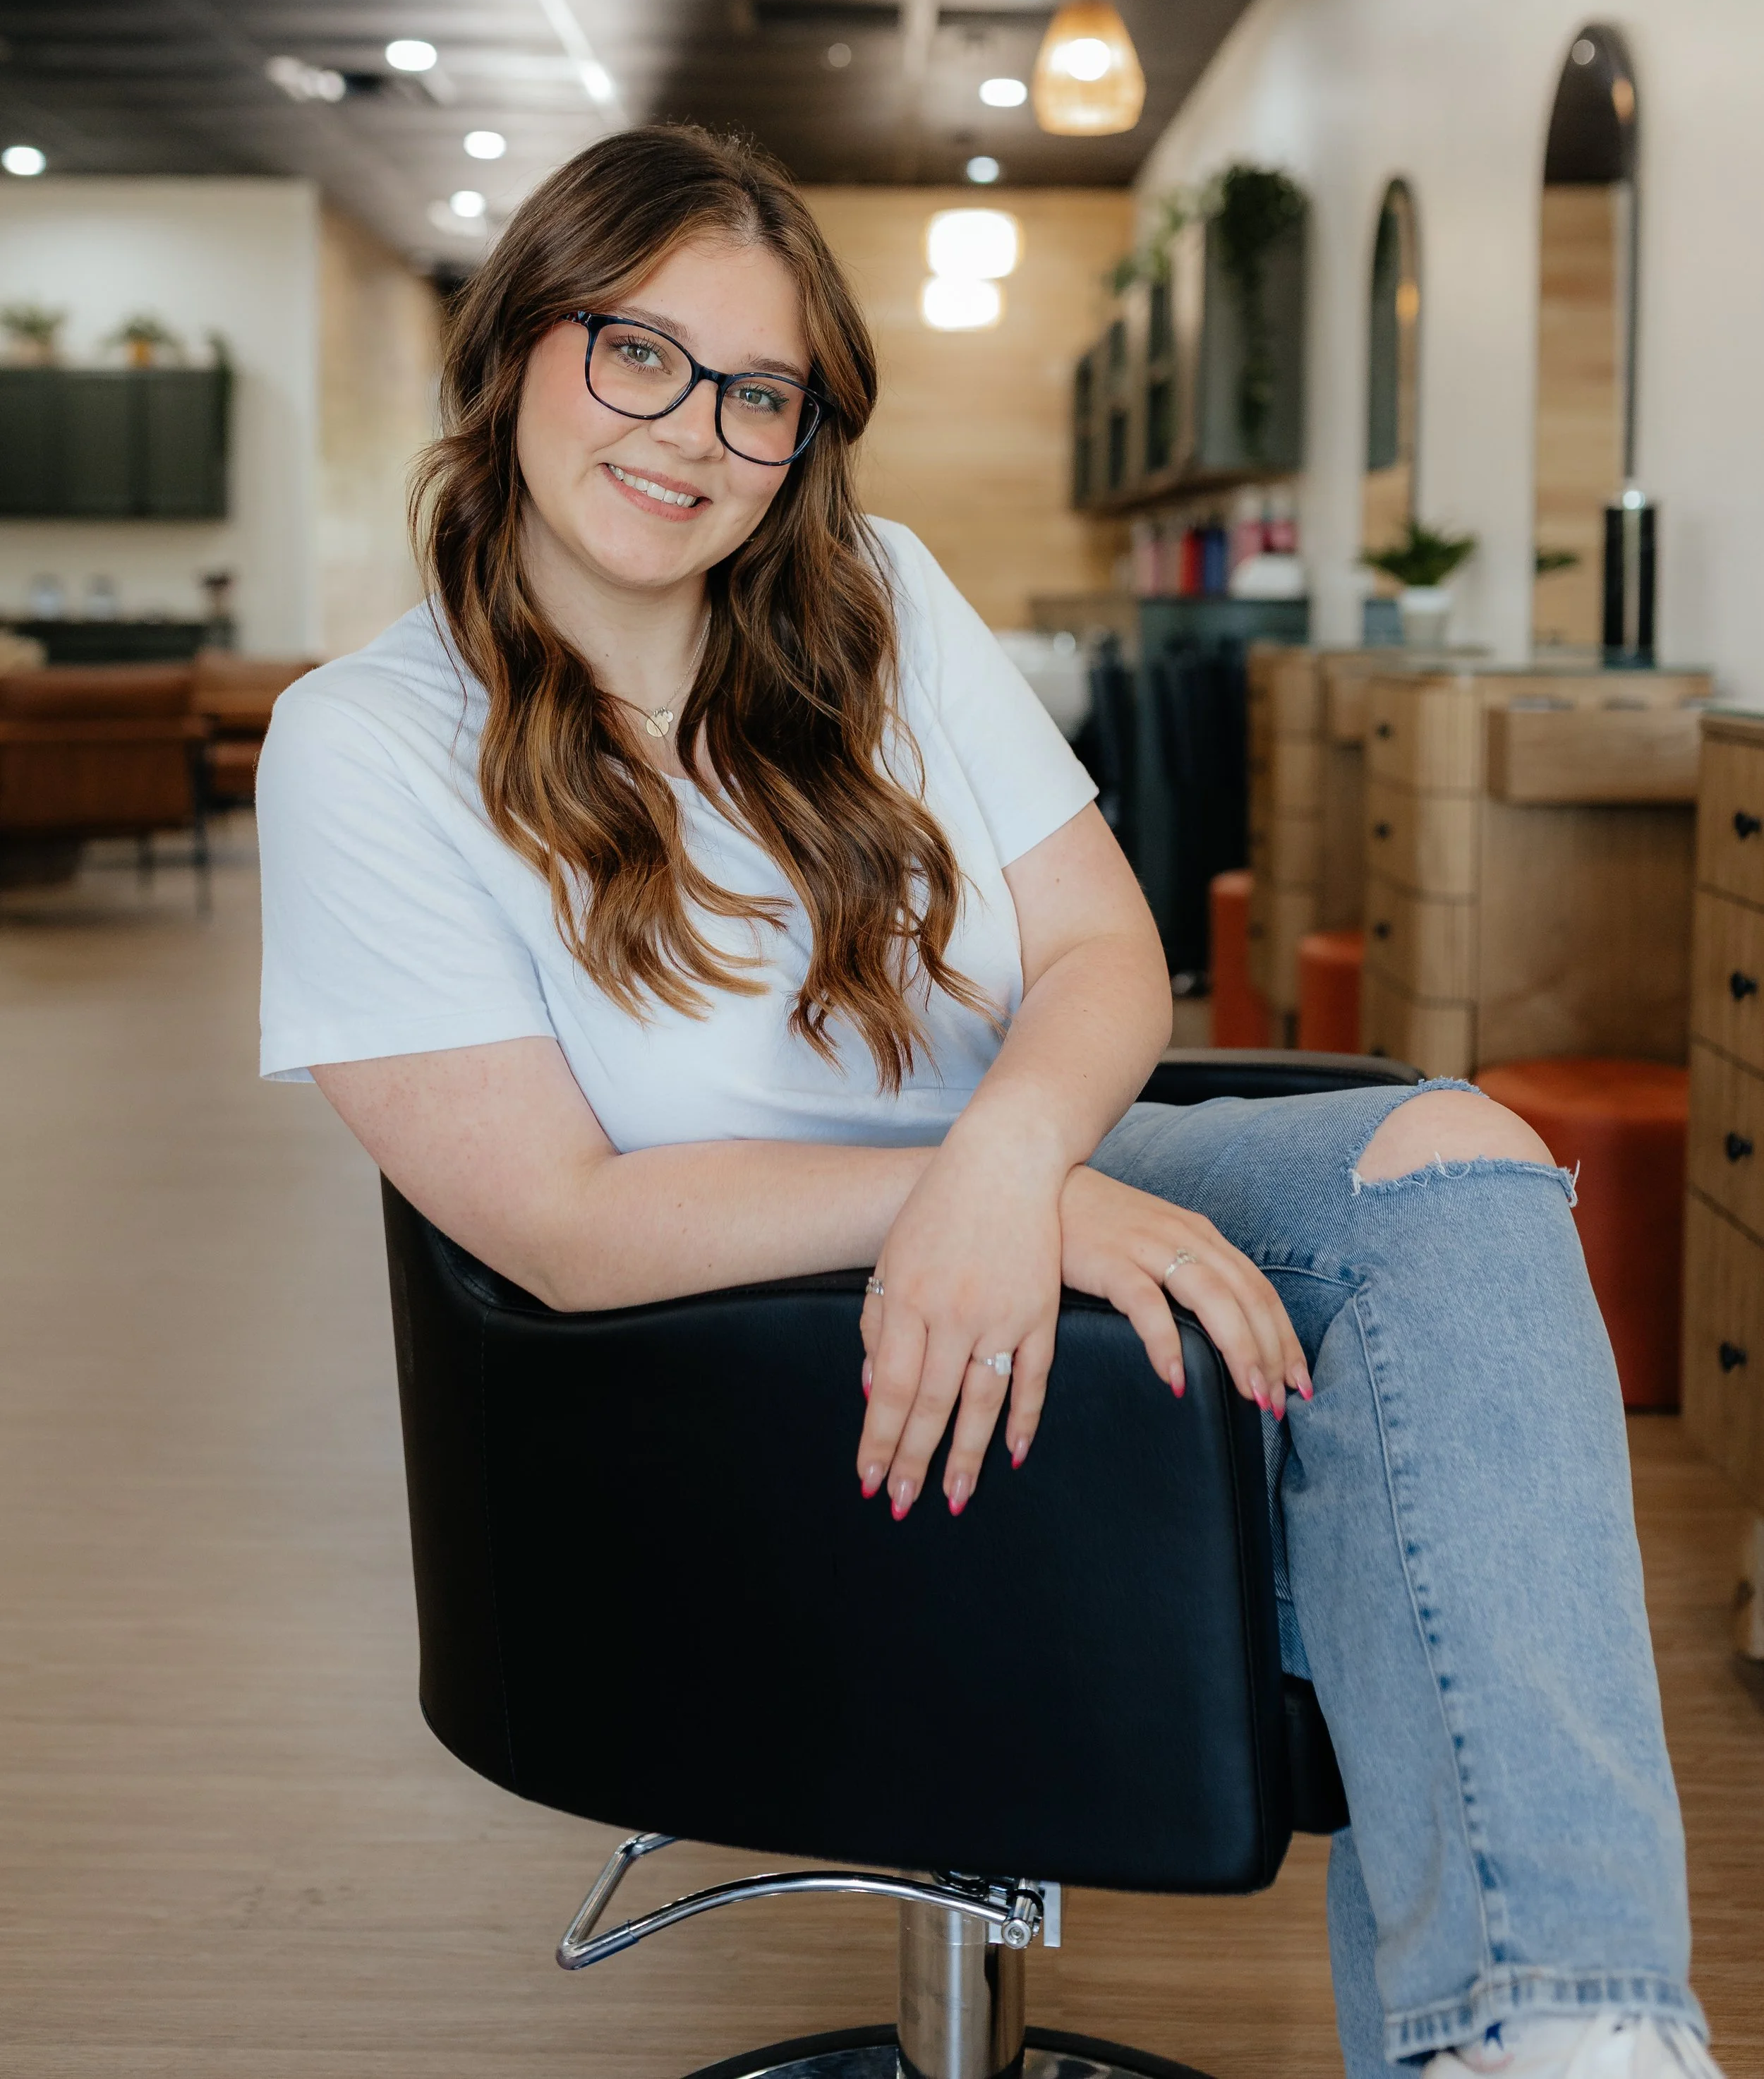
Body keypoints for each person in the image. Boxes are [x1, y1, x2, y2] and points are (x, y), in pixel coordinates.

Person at [258, 126, 1719, 2079]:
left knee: (1455, 1164)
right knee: (1407, 1427)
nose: (687, 429)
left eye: (756, 390)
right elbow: (555, 1217)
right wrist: (959, 1199)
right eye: (637, 351)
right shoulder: (365, 741)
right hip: (725, 1346)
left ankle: (1552, 2037)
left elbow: (1107, 954)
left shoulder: (871, 594)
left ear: (804, 431)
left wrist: (1013, 1158)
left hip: (1030, 1168)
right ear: (521, 338)